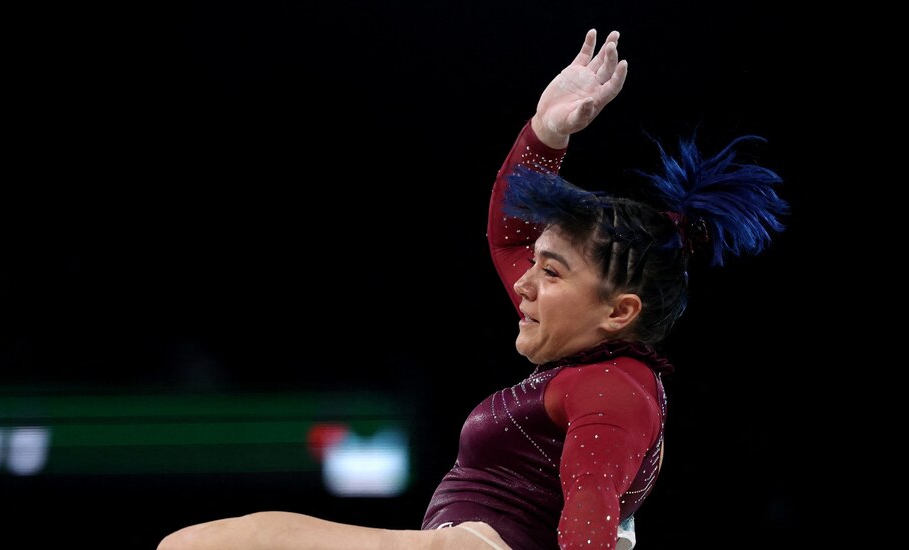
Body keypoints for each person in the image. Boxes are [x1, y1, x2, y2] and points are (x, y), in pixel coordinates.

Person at [157, 27, 788, 550]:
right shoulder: (591, 360)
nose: (526, 283)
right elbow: (510, 236)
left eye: (552, 272)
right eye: (536, 266)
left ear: (620, 311)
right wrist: (546, 132)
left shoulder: (612, 388)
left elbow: (589, 519)